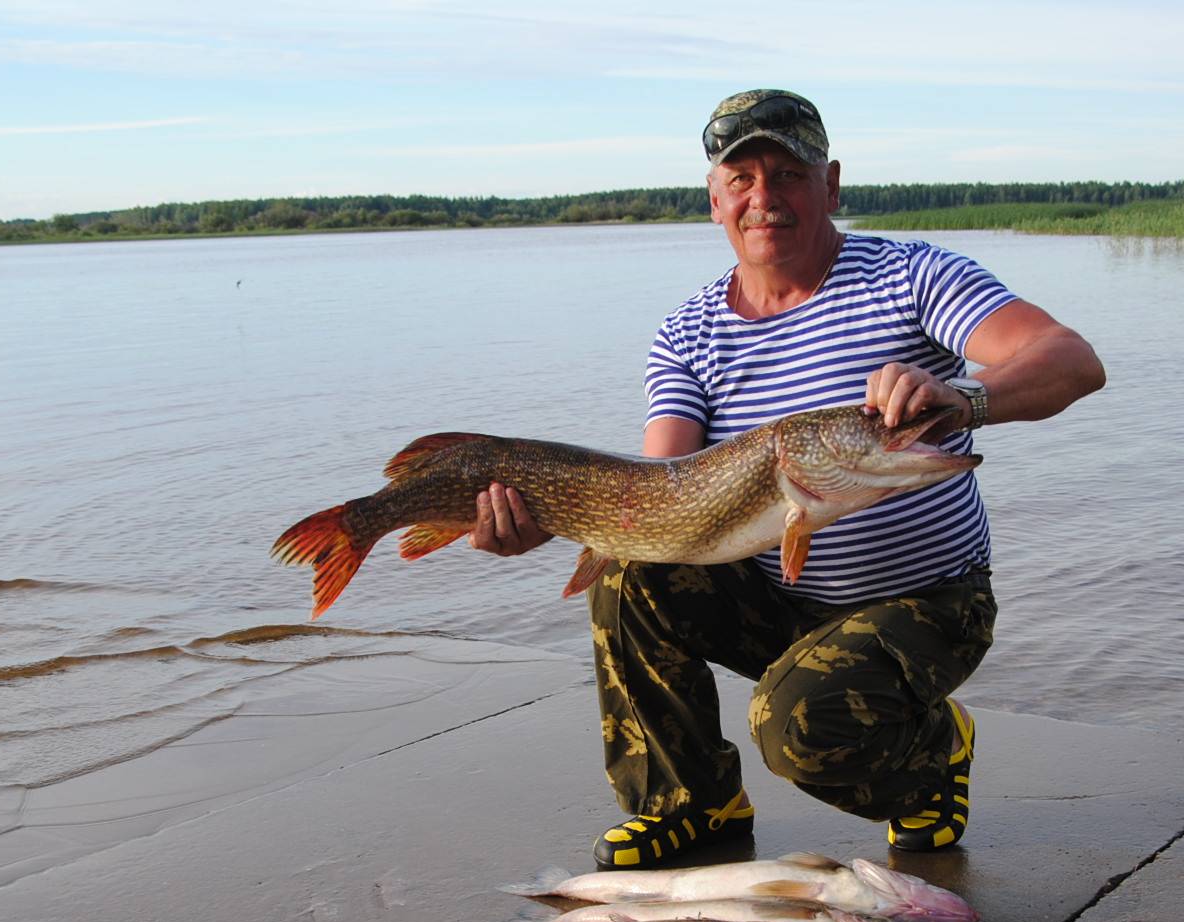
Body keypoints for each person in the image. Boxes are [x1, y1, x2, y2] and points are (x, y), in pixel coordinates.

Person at [470, 89, 1105, 867]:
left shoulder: (913, 275)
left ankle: (934, 755)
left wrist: (964, 398)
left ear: (830, 184)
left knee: (796, 725)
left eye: (788, 174)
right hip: (781, 601)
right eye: (741, 179)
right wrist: (559, 517)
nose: (763, 198)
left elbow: (1071, 361)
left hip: (927, 604)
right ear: (715, 201)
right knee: (629, 576)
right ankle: (690, 803)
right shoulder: (688, 333)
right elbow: (662, 483)